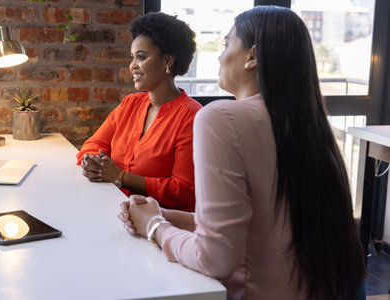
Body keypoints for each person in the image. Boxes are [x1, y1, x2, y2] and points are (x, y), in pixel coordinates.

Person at [118, 6, 366, 300]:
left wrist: (155, 227)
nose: (220, 56)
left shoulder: (219, 117)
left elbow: (216, 258)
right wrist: (164, 215)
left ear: (253, 56)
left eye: (226, 43)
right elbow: (262, 224)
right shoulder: (305, 123)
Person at [77, 12, 201, 212]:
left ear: (167, 61)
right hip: (115, 209)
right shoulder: (130, 104)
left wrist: (119, 177)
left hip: (162, 225)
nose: (132, 65)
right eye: (132, 57)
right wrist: (92, 162)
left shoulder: (192, 117)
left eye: (141, 57)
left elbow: (183, 189)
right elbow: (93, 144)